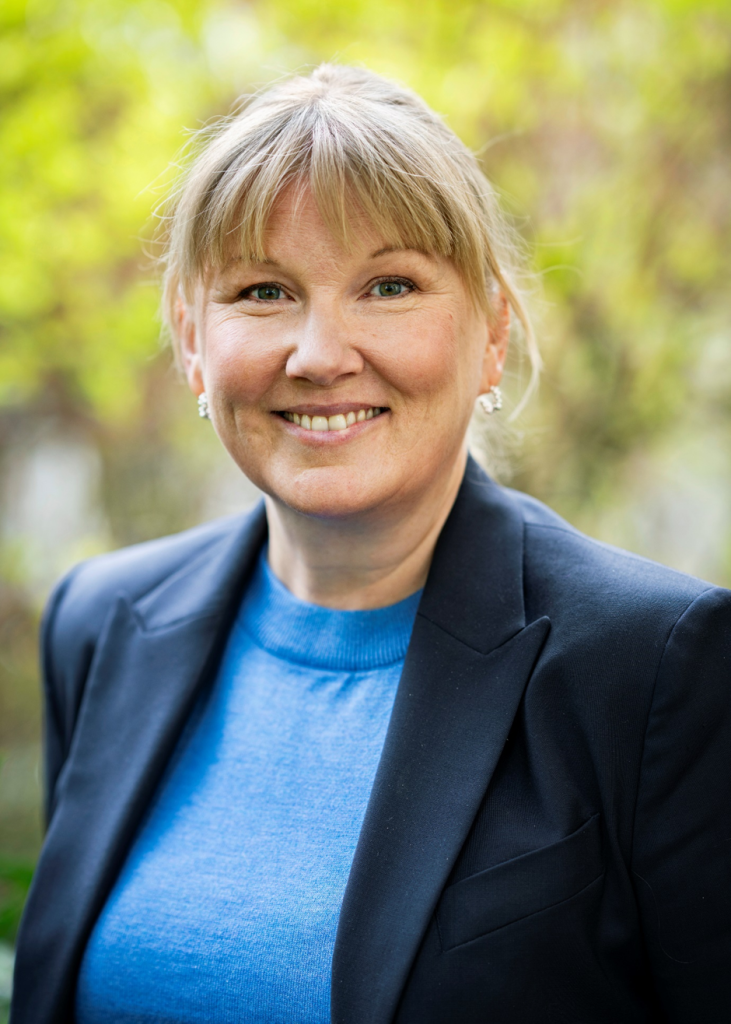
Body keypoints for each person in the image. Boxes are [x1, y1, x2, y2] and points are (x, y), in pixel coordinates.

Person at [10, 64, 731, 1024]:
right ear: (191, 338)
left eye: (388, 286)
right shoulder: (100, 623)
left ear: (490, 334)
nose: (318, 353)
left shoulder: (654, 664)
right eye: (262, 292)